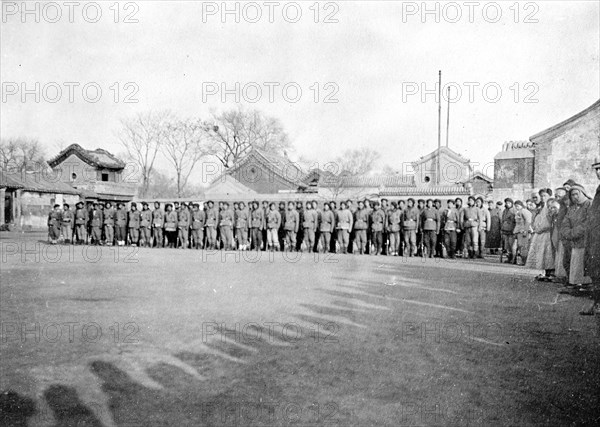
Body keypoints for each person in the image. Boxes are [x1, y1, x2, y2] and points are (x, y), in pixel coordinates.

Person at [561, 184, 592, 290]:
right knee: (575, 261)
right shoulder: (572, 208)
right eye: (572, 195)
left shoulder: (590, 205)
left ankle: (585, 284)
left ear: (583, 193)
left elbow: (588, 223)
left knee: (584, 261)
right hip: (574, 240)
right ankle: (576, 283)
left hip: (585, 239)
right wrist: (567, 233)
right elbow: (565, 222)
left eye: (576, 194)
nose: (575, 197)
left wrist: (573, 233)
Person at [581, 161, 600, 315]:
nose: (599, 173)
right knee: (595, 270)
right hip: (595, 237)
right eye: (597, 170)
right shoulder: (598, 190)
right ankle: (597, 304)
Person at [526, 189, 555, 279]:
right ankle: (546, 272)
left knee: (548, 252)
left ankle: (551, 272)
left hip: (546, 233)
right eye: (541, 196)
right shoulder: (541, 206)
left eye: (545, 196)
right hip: (540, 232)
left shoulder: (550, 206)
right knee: (542, 253)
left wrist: (539, 229)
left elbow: (548, 222)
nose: (543, 198)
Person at [513, 200, 532, 266]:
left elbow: (528, 221)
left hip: (523, 231)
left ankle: (525, 261)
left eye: (518, 206)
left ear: (521, 205)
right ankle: (523, 260)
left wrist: (525, 231)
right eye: (515, 206)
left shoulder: (524, 211)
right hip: (519, 231)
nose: (516, 207)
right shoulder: (518, 212)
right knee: (520, 245)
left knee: (523, 246)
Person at [500, 198, 516, 263]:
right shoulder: (504, 211)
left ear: (512, 204)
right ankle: (509, 258)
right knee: (506, 245)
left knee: (511, 244)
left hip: (511, 230)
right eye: (506, 203)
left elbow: (515, 221)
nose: (507, 204)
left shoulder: (514, 211)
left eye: (509, 203)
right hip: (505, 229)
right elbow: (502, 220)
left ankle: (513, 259)